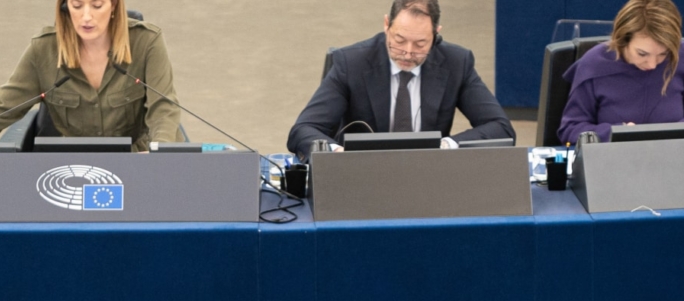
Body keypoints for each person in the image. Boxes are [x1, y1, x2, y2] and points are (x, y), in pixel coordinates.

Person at [0, 0, 183, 152]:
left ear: (114, 7)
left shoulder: (147, 42)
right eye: (76, 5)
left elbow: (163, 110)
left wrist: (161, 157)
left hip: (138, 165)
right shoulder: (44, 51)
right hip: (75, 173)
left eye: (96, 5)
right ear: (64, 8)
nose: (86, 17)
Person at [286, 0, 514, 157]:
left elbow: (501, 128)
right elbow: (303, 130)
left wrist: (447, 145)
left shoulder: (456, 62)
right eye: (399, 39)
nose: (407, 52)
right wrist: (337, 153)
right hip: (363, 176)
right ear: (386, 25)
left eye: (420, 44)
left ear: (436, 33)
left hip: (429, 175)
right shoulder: (351, 63)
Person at [558, 0, 684, 144]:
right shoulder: (594, 65)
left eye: (663, 54)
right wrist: (615, 133)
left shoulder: (681, 56)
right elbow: (570, 129)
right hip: (611, 160)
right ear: (623, 40)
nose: (653, 64)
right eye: (642, 54)